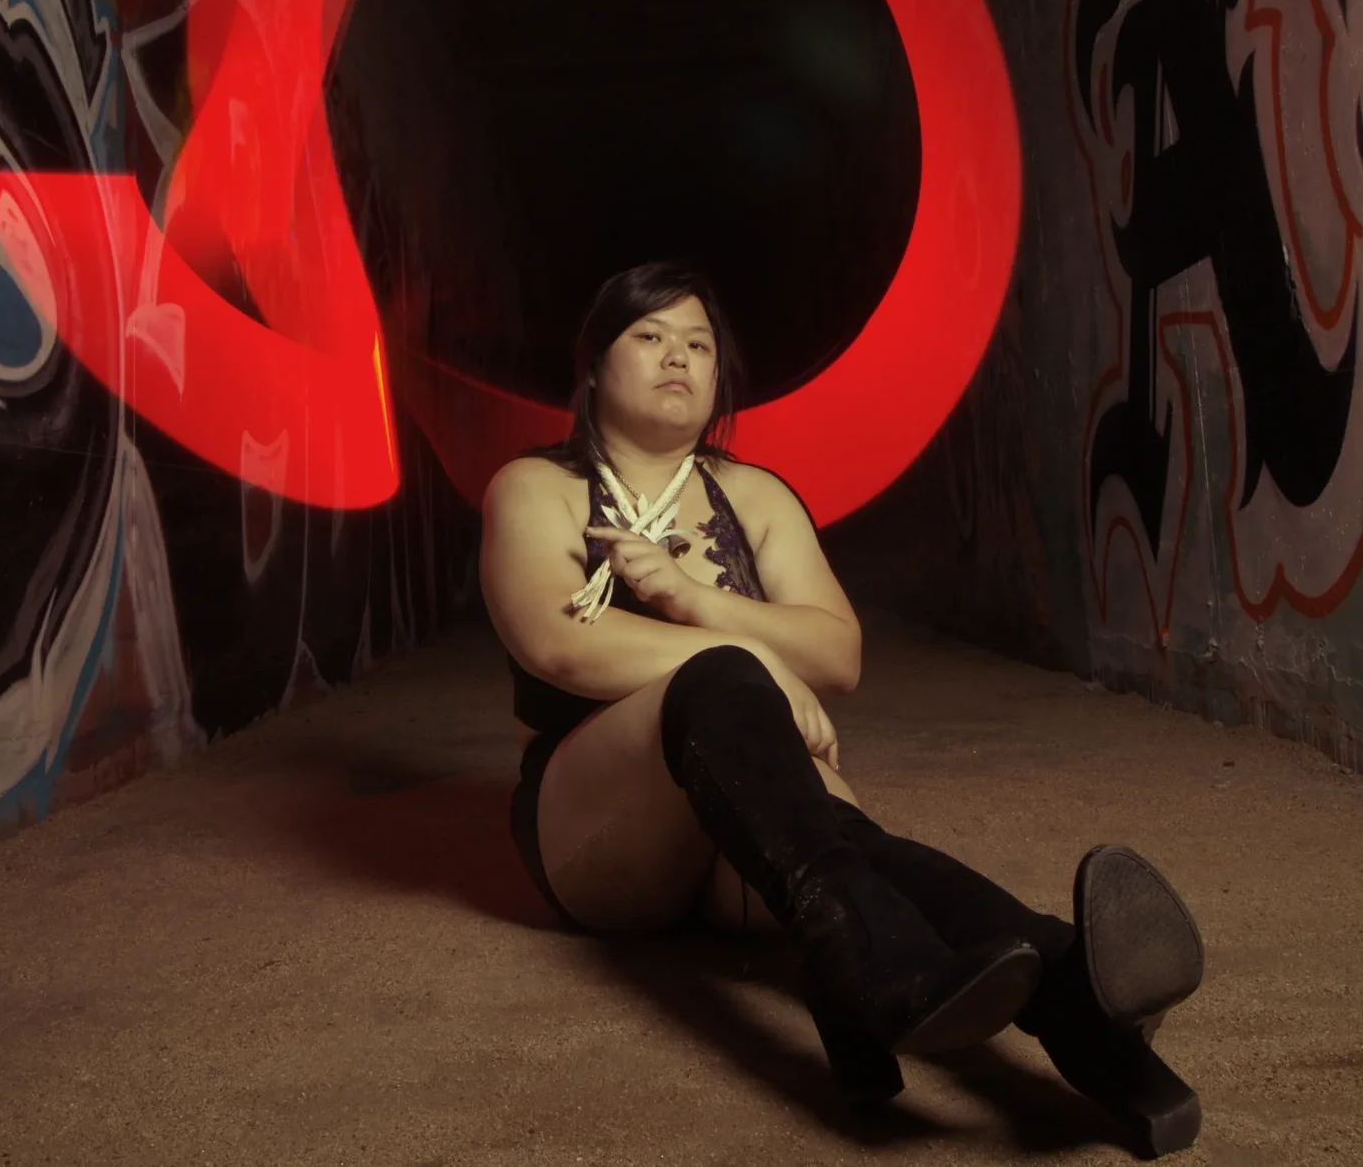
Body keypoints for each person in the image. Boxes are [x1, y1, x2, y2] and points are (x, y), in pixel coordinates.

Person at [482, 261, 1206, 1156]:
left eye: (700, 343)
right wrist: (748, 659)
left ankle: (1066, 997)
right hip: (600, 832)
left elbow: (838, 654)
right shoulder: (534, 488)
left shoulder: (753, 496)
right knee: (724, 695)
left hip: (742, 835)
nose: (679, 356)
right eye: (650, 335)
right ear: (593, 365)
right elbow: (562, 646)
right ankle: (919, 974)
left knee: (851, 849)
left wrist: (703, 602)